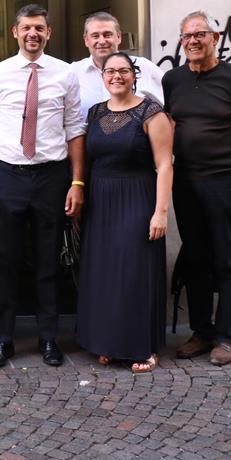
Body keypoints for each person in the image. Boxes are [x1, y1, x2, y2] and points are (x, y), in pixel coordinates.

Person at [0, 5, 86, 369]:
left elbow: (75, 129)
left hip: (51, 176)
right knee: (4, 261)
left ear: (48, 33)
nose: (32, 34)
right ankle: (2, 340)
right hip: (8, 176)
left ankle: (49, 337)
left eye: (39, 28)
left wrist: (77, 182)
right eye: (26, 28)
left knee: (47, 260)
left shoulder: (66, 74)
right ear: (15, 32)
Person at [164, 11, 231, 366]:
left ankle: (226, 336)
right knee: (195, 256)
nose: (193, 41)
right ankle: (202, 332)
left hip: (225, 180)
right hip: (186, 181)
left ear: (215, 38)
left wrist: (220, 156)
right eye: (187, 36)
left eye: (200, 34)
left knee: (228, 258)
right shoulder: (173, 80)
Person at [75, 51, 173, 373]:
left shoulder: (151, 112)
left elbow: (164, 165)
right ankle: (110, 343)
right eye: (110, 71)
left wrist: (161, 212)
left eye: (124, 71)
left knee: (134, 272)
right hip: (101, 201)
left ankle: (142, 347)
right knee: (105, 274)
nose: (116, 76)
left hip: (137, 198)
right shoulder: (95, 112)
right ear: (102, 77)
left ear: (134, 75)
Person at [70, 11, 165, 120]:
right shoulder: (73, 72)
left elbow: (170, 108)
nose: (102, 41)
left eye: (107, 35)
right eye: (95, 36)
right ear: (86, 40)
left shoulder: (144, 67)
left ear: (119, 37)